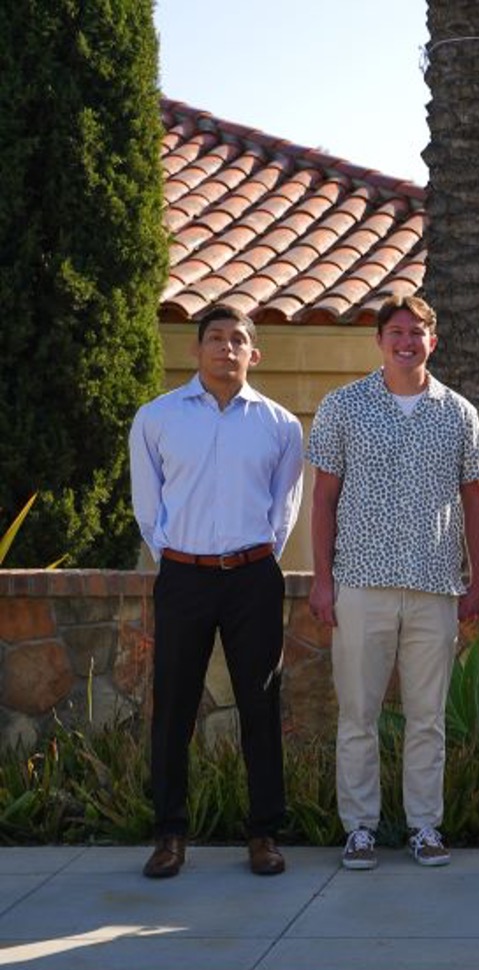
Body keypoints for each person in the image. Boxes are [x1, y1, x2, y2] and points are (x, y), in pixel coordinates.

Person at [308, 294, 479, 870]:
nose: (406, 340)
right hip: (360, 583)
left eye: (417, 332)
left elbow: (476, 499)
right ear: (379, 339)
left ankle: (424, 827)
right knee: (358, 715)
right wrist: (321, 580)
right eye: (396, 331)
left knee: (427, 717)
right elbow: (324, 499)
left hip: (436, 586)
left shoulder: (458, 412)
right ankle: (359, 829)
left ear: (433, 341)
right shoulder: (343, 406)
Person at [130, 304, 304, 879]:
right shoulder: (157, 418)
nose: (225, 348)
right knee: (174, 706)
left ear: (254, 354)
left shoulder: (280, 425)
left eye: (237, 340)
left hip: (253, 577)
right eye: (215, 339)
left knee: (260, 704)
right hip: (183, 576)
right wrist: (179, 558)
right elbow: (148, 507)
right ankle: (169, 835)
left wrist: (252, 560)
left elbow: (284, 510)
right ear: (195, 350)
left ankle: (264, 834)